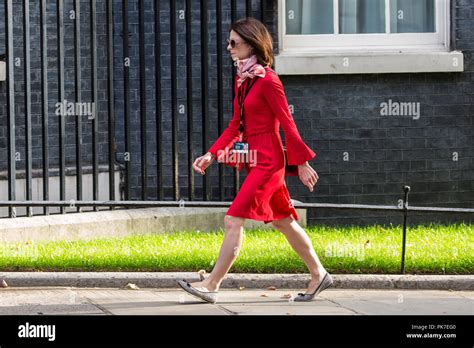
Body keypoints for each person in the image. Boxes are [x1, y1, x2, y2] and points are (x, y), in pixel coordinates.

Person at [178, 17, 333, 304]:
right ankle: (319, 273)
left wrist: (301, 161)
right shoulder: (244, 81)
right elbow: (235, 124)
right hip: (255, 157)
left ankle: (212, 284)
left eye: (234, 42)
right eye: (229, 42)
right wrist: (212, 154)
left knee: (232, 218)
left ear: (251, 43)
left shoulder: (268, 80)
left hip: (269, 162)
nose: (229, 48)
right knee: (284, 222)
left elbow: (287, 122)